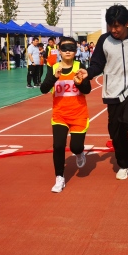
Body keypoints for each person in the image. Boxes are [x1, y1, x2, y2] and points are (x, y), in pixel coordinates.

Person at [78, 4, 128, 179]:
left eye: (117, 26)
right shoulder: (104, 40)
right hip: (112, 90)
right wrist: (88, 73)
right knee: (116, 131)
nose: (113, 30)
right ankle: (124, 163)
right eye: (111, 26)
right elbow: (97, 64)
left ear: (126, 23)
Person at [40, 37, 92, 193]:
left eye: (71, 48)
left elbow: (87, 90)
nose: (68, 51)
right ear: (59, 50)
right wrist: (54, 77)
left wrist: (79, 83)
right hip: (60, 115)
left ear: (75, 51)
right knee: (58, 145)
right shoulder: (54, 67)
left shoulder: (79, 66)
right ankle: (59, 178)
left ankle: (79, 153)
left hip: (78, 114)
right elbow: (43, 89)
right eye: (64, 48)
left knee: (75, 146)